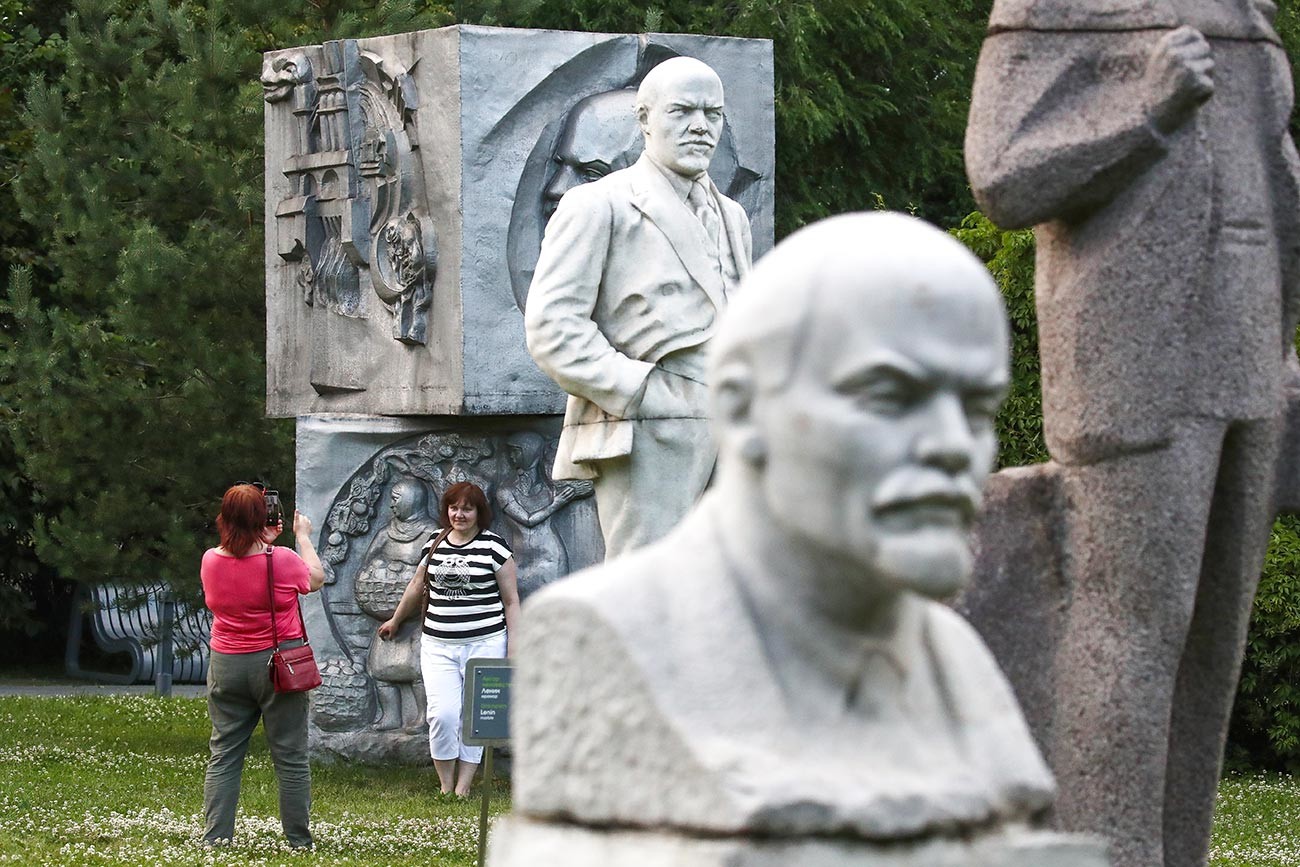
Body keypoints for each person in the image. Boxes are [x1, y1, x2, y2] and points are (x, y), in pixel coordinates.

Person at [501, 214, 1076, 861]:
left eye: (976, 408)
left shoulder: (960, 664)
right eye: (889, 396)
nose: (952, 445)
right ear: (744, 410)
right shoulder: (606, 635)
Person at [965, 4, 1300, 864]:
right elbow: (1003, 177)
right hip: (1134, 352)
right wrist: (1145, 114)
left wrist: (1281, 334)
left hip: (1252, 348)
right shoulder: (1057, 5)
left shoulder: (1244, 11)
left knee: (1211, 644)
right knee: (1128, 625)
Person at [525, 56, 754, 558]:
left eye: (712, 113)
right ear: (645, 119)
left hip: (730, 427)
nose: (700, 126)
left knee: (724, 584)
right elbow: (553, 328)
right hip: (644, 426)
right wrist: (642, 393)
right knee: (646, 589)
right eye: (682, 111)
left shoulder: (733, 216)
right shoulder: (597, 204)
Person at [200, 483, 325, 848]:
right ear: (263, 520)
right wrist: (302, 538)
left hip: (226, 662)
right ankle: (298, 840)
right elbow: (315, 578)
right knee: (290, 756)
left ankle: (216, 837)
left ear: (224, 519)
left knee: (224, 752)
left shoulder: (210, 559)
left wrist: (260, 539)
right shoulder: (282, 558)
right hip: (277, 664)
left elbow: (240, 564)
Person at [378, 481, 521, 796]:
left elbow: (511, 601)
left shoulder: (494, 547)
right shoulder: (434, 541)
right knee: (442, 714)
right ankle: (445, 784)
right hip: (438, 644)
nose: (460, 514)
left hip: (485, 643)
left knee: (474, 716)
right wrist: (396, 619)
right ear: (447, 511)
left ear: (478, 512)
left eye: (467, 508)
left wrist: (513, 646)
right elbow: (418, 584)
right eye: (454, 508)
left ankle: (463, 786)